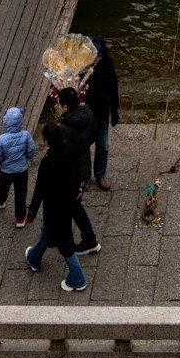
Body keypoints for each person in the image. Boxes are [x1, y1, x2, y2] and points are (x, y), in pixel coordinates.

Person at [25, 124, 87, 292]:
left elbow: (39, 189)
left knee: (64, 243)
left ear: (47, 140)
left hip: (54, 207)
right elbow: (78, 171)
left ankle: (77, 278)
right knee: (48, 230)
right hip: (69, 202)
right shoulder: (71, 149)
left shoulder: (48, 161)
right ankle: (34, 257)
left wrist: (31, 212)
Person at [57, 88, 101, 254]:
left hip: (71, 173)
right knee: (75, 203)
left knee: (73, 205)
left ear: (66, 107)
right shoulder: (88, 114)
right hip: (84, 167)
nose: (58, 106)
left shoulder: (64, 128)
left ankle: (89, 239)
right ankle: (88, 238)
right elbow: (92, 138)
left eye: (59, 104)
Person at [83, 34, 120, 190]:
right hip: (86, 112)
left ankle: (100, 173)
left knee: (103, 145)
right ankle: (83, 175)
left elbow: (113, 86)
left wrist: (114, 109)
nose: (97, 58)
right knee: (83, 145)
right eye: (95, 55)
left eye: (100, 55)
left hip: (102, 111)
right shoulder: (84, 65)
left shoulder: (107, 63)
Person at [0, 106, 36, 227]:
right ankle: (20, 219)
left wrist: (1, 162)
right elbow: (31, 150)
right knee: (21, 193)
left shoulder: (2, 139)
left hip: (6, 170)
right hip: (22, 170)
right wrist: (26, 157)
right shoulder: (26, 135)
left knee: (3, 188)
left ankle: (0, 201)